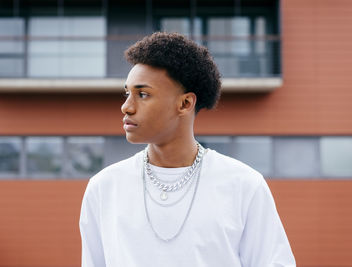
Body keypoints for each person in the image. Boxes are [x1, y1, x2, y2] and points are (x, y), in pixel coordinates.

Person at [79, 32, 296, 267]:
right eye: (127, 93)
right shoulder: (104, 187)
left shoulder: (243, 184)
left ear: (185, 103)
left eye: (142, 94)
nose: (126, 107)